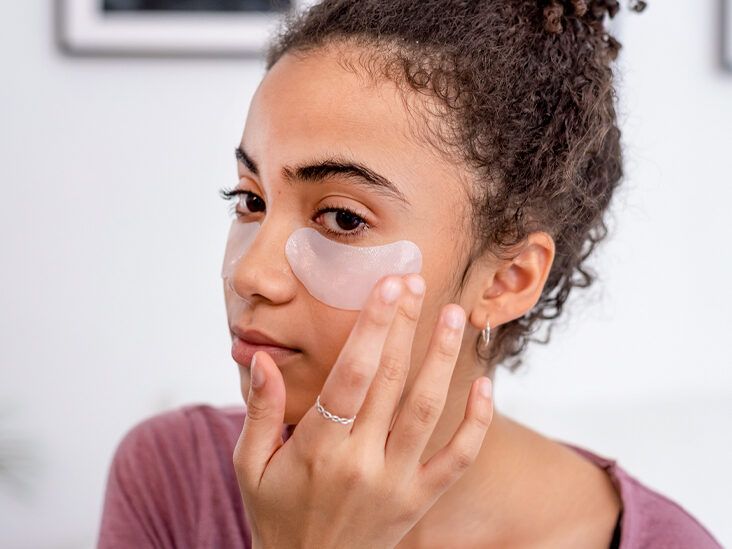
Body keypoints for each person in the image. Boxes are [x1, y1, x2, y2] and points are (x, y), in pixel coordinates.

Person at [97, 1, 724, 547]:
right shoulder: (171, 481)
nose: (251, 274)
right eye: (250, 200)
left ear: (507, 278)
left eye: (341, 218)